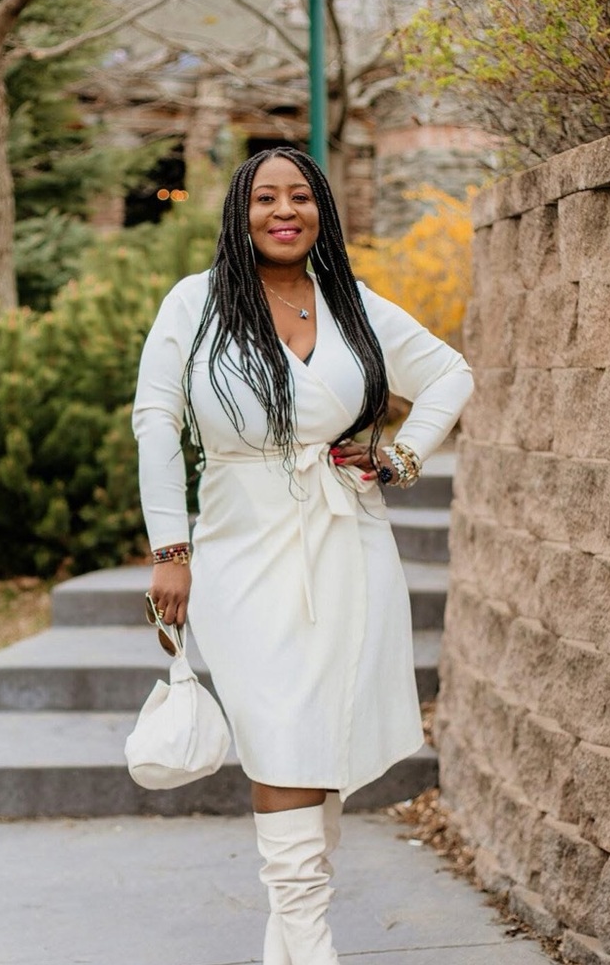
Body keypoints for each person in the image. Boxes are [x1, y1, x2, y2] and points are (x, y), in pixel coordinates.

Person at [132, 146, 474, 964]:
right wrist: (170, 549)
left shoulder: (352, 304)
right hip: (240, 548)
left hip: (349, 543)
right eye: (265, 198)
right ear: (239, 213)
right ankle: (309, 940)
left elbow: (452, 373)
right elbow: (155, 420)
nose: (284, 212)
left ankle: (294, 941)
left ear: (321, 208)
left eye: (300, 197)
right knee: (283, 729)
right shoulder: (198, 303)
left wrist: (401, 456)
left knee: (322, 735)